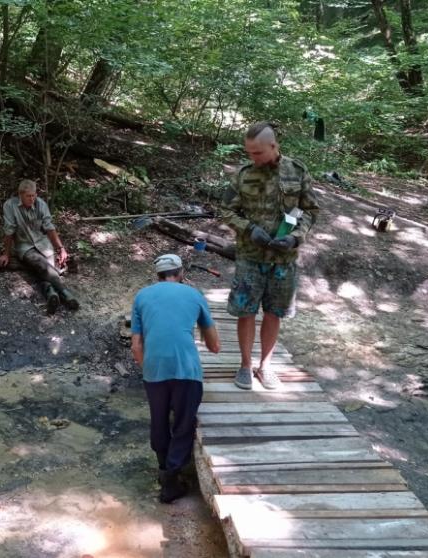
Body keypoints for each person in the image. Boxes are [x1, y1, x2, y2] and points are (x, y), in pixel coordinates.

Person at [221, 122, 319, 391]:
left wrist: (296, 237)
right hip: (250, 257)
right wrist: (248, 229)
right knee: (246, 312)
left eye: (258, 153)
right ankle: (244, 365)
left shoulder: (297, 172)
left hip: (284, 260)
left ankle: (265, 366)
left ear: (274, 146)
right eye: (249, 153)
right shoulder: (242, 174)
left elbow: (310, 210)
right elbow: (226, 211)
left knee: (274, 313)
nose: (253, 158)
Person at [131, 253, 220, 503]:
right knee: (183, 422)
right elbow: (214, 346)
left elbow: (136, 346)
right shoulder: (194, 295)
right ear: (180, 273)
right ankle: (172, 478)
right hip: (186, 371)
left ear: (157, 275)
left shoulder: (142, 296)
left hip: (154, 370)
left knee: (159, 420)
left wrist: (147, 369)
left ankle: (163, 468)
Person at [0, 179, 79, 313]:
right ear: (20, 195)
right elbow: (9, 231)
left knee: (46, 269)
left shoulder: (41, 204)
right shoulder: (10, 205)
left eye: (34, 195)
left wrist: (60, 248)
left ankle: (51, 293)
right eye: (28, 196)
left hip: (43, 243)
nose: (32, 198)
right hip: (24, 246)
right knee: (41, 264)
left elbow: (49, 228)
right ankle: (66, 293)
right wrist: (6, 254)